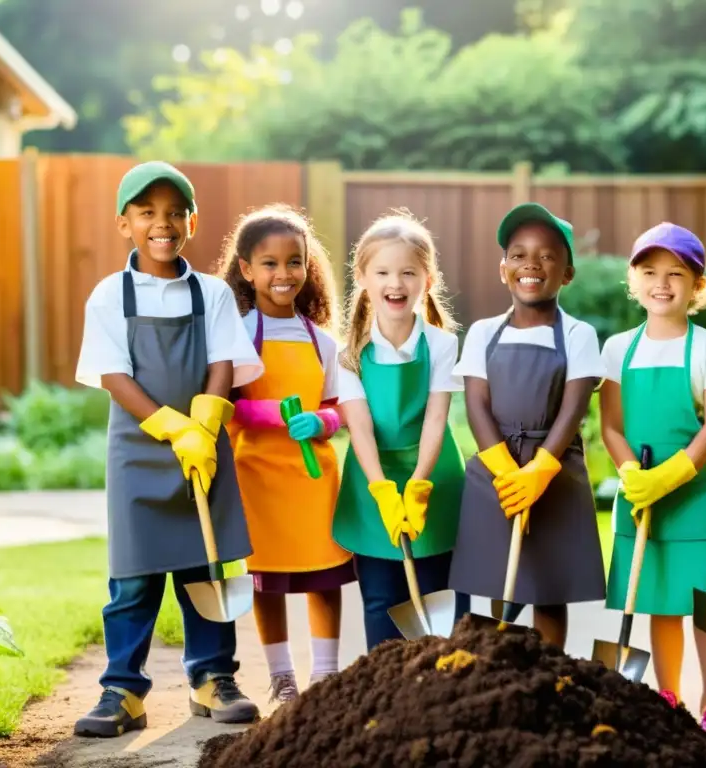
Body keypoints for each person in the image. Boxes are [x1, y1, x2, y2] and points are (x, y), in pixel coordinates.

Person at [73, 161, 263, 737]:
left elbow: (223, 360)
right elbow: (112, 374)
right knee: (132, 578)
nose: (163, 223)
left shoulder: (210, 294)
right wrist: (172, 428)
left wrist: (204, 426)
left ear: (192, 221)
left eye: (175, 212)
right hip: (139, 449)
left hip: (202, 446)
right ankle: (122, 692)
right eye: (147, 213)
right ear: (124, 223)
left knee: (206, 566)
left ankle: (212, 678)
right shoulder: (110, 295)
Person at [599, 223, 706, 732]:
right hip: (643, 497)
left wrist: (676, 472)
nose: (662, 283)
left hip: (696, 494)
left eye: (676, 274)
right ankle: (668, 694)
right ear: (633, 281)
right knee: (661, 601)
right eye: (649, 272)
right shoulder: (618, 349)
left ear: (698, 287)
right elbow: (610, 426)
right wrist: (633, 474)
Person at [448, 202, 606, 649]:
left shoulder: (577, 334)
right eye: (518, 254)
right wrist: (505, 471)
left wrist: (538, 470)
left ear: (567, 273)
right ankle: (501, 671)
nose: (531, 265)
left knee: (548, 588)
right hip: (497, 471)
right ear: (503, 270)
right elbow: (476, 404)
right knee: (498, 580)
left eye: (547, 255)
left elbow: (575, 406)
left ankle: (549, 673)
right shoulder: (482, 332)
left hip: (553, 469)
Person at [217, 204, 355, 704]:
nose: (283, 273)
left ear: (307, 268)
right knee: (265, 580)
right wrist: (268, 415)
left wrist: (321, 421)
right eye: (269, 263)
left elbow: (340, 409)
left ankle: (325, 674)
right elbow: (226, 407)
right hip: (256, 475)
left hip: (313, 479)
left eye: (293, 262)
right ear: (247, 270)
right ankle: (282, 677)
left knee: (324, 575)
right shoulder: (236, 336)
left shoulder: (322, 342)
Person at [333, 209, 470, 651]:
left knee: (443, 593)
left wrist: (418, 484)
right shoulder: (349, 351)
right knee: (380, 597)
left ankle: (449, 685)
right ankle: (387, 690)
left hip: (434, 477)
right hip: (372, 478)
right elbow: (360, 427)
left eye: (409, 272)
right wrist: (382, 491)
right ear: (363, 278)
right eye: (383, 272)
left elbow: (435, 418)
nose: (396, 283)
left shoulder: (442, 344)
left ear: (427, 279)